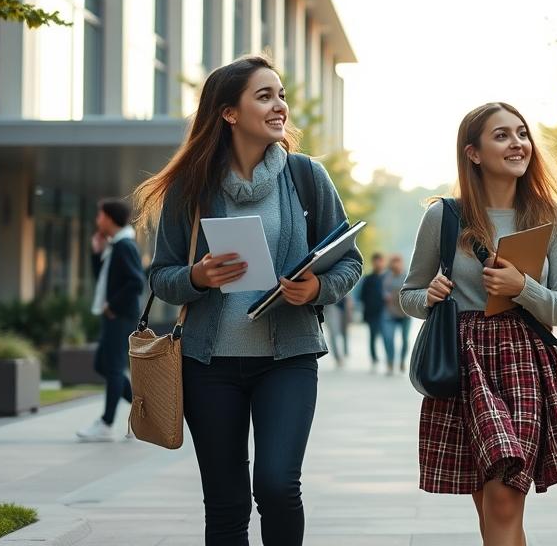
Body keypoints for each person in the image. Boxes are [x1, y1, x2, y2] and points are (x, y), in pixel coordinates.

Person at [135, 55, 363, 545]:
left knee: (278, 486)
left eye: (281, 95)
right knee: (225, 502)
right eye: (265, 96)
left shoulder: (306, 177)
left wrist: (317, 288)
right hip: (208, 365)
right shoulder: (190, 187)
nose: (280, 106)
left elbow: (349, 260)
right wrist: (197, 276)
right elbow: (163, 276)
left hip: (289, 359)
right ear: (228, 113)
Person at [400, 102, 557, 546]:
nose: (518, 144)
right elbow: (407, 296)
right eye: (502, 135)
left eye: (522, 133)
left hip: (524, 361)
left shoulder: (550, 214)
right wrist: (429, 296)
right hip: (463, 364)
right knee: (492, 506)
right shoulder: (445, 216)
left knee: (505, 498)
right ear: (473, 152)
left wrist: (521, 286)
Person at [76, 197, 144, 442]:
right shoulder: (116, 244)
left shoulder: (125, 245)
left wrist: (112, 305)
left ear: (108, 218)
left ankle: (106, 424)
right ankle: (145, 414)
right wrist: (97, 254)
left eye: (99, 215)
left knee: (113, 368)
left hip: (120, 316)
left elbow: (137, 282)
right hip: (113, 315)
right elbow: (104, 280)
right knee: (103, 365)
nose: (97, 220)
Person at [355, 253, 390, 371]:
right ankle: (374, 358)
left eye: (380, 261)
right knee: (373, 336)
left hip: (386, 312)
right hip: (372, 312)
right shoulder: (368, 278)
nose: (378, 263)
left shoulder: (388, 277)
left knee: (387, 336)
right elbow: (361, 296)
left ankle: (389, 358)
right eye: (376, 261)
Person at [382, 253, 410, 372]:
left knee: (404, 339)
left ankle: (402, 361)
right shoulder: (386, 277)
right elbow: (382, 291)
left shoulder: (407, 276)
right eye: (394, 262)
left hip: (405, 313)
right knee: (388, 338)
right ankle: (390, 361)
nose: (396, 264)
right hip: (390, 312)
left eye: (398, 262)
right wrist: (386, 295)